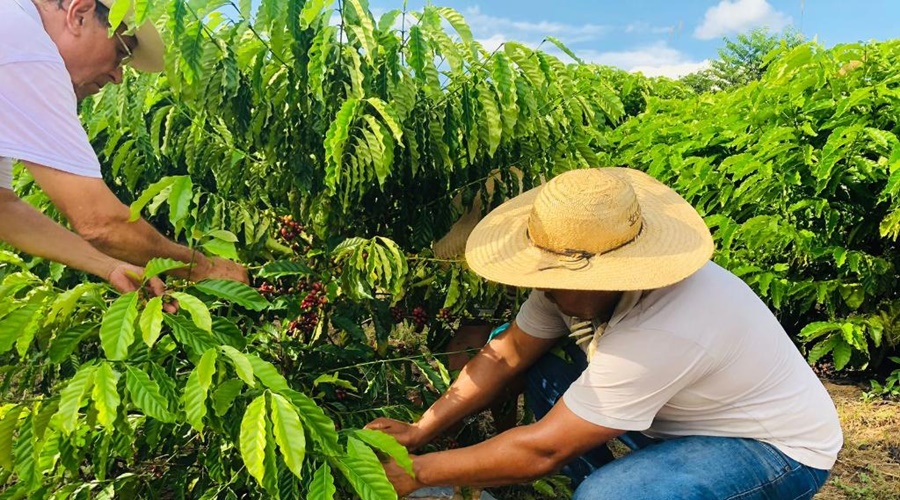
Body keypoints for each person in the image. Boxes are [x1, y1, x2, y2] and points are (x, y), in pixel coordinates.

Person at [367, 167, 842, 499]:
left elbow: (544, 448)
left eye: (558, 280)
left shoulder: (667, 325)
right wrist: (420, 430)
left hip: (773, 450)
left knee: (609, 495)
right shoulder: (565, 287)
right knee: (543, 369)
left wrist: (416, 473)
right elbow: (507, 354)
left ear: (610, 276)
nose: (543, 289)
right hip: (676, 418)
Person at [0, 0, 247, 295]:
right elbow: (100, 222)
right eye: (121, 52)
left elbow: (3, 208)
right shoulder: (26, 49)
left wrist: (109, 266)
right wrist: (204, 269)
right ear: (79, 14)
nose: (118, 77)